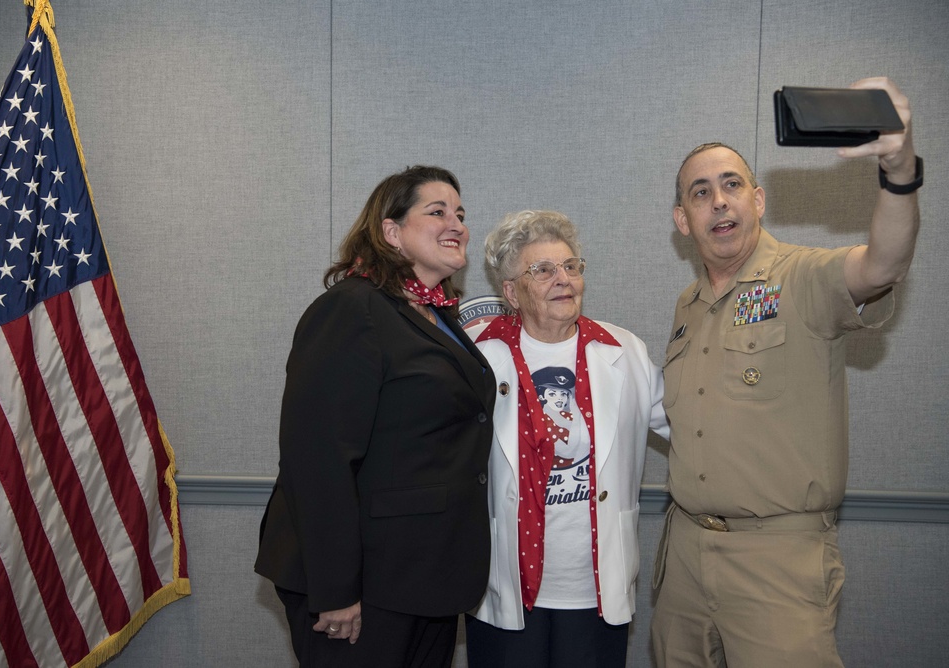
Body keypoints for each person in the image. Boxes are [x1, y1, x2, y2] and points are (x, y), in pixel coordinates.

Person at [651, 77, 921, 668]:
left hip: (776, 561)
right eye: (700, 193)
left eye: (731, 186)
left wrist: (899, 170)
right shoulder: (686, 308)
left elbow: (882, 263)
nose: (719, 201)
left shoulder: (802, 278)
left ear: (758, 199)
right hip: (685, 557)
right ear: (682, 218)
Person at [254, 165, 497, 667]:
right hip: (365, 583)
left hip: (425, 576)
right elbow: (317, 460)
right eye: (437, 212)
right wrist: (336, 589)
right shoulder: (352, 309)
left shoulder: (437, 315)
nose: (457, 223)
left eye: (461, 213)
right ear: (391, 230)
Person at [465, 210, 669, 668]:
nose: (563, 279)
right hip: (504, 583)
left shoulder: (623, 351)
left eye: (571, 266)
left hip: (594, 586)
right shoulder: (477, 354)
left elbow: (691, 426)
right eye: (543, 270)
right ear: (511, 292)